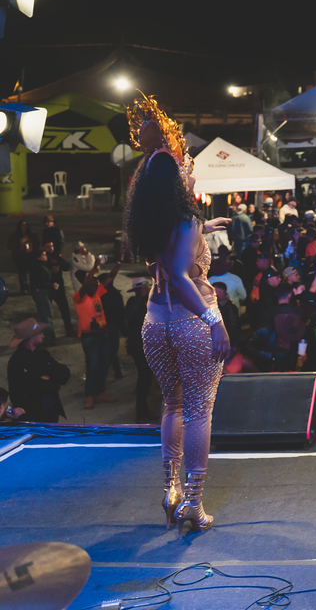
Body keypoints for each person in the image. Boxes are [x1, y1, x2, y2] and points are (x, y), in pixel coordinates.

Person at [125, 95, 232, 536]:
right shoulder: (185, 219)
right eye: (186, 169)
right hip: (191, 324)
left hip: (155, 324)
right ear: (176, 181)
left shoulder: (152, 220)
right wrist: (214, 321)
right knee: (199, 410)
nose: (191, 173)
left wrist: (206, 228)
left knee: (172, 404)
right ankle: (193, 502)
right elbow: (181, 274)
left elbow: (169, 256)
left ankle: (170, 490)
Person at [74, 261, 122, 409]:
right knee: (92, 366)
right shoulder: (79, 297)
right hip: (89, 336)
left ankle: (99, 393)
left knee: (103, 365)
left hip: (102, 334)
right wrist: (94, 268)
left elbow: (111, 276)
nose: (95, 286)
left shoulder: (97, 293)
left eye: (96, 284)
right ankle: (89, 396)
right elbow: (86, 283)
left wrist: (119, 261)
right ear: (86, 285)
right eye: (92, 284)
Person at [6, 318, 69, 422]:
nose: (43, 335)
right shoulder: (17, 362)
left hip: (51, 412)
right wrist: (53, 381)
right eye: (40, 333)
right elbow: (35, 388)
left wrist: (49, 378)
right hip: (31, 416)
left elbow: (65, 373)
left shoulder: (43, 354)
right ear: (32, 337)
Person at [125, 276, 156, 423]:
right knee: (144, 377)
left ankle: (144, 411)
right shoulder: (133, 302)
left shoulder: (148, 302)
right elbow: (130, 317)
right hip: (138, 346)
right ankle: (141, 412)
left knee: (146, 378)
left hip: (147, 346)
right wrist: (140, 298)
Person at [8, 219, 37, 294]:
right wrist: (18, 247)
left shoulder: (31, 235)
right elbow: (10, 245)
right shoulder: (15, 235)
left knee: (32, 273)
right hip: (20, 256)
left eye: (25, 225)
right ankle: (24, 289)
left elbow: (37, 243)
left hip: (30, 256)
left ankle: (32, 288)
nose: (24, 226)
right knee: (22, 273)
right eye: (22, 225)